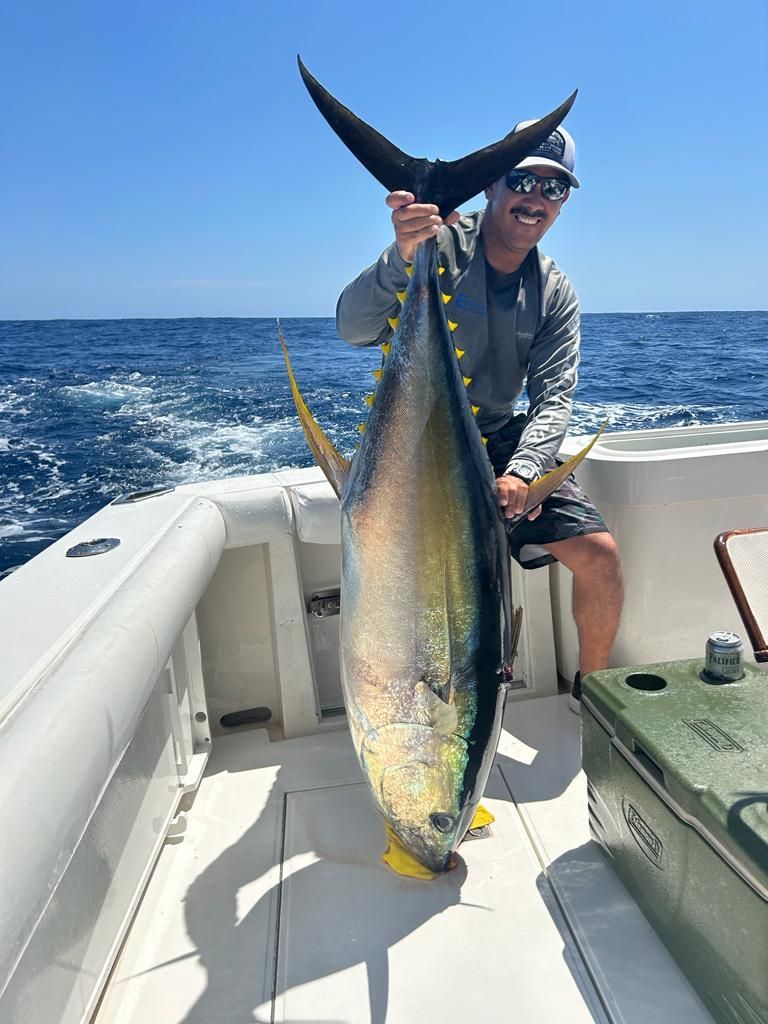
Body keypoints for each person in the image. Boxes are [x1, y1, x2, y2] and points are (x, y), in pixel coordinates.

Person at [335, 122, 623, 712]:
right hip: (413, 441)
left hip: (497, 442)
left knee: (601, 557)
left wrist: (524, 470)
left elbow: (554, 398)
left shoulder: (554, 291)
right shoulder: (434, 246)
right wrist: (402, 256)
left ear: (564, 202)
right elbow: (353, 329)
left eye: (554, 189)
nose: (535, 200)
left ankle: (593, 700)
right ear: (492, 186)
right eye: (522, 181)